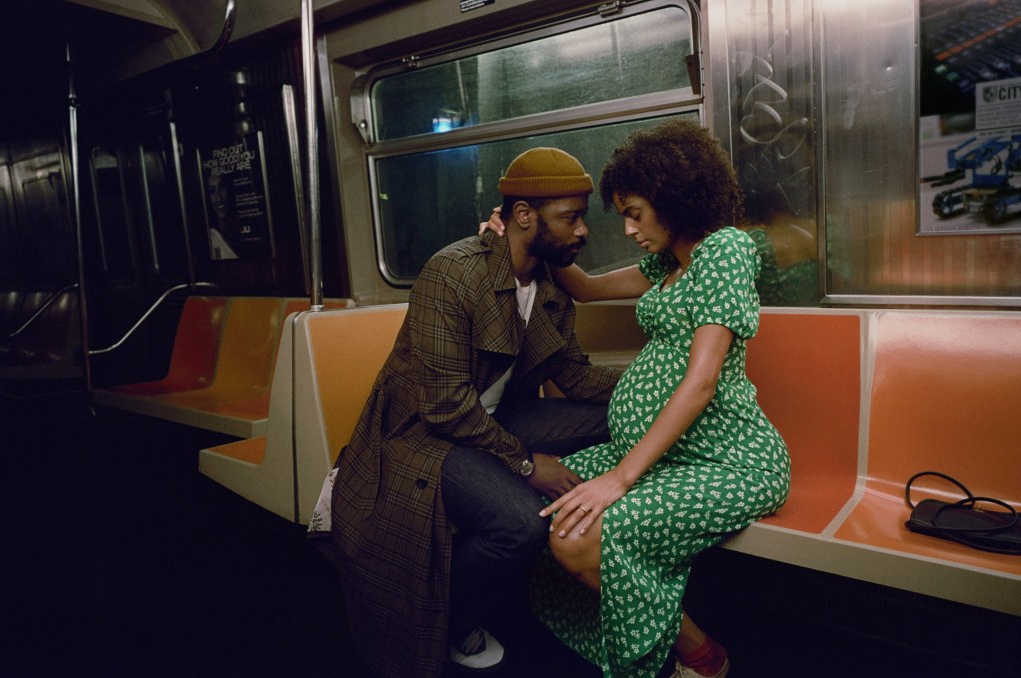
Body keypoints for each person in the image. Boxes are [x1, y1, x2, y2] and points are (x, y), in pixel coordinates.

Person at [482, 119, 790, 678]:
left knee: (579, 540)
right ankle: (682, 647)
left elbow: (701, 382)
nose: (627, 229)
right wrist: (518, 235)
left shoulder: (725, 250)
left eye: (635, 213)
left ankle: (700, 655)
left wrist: (620, 478)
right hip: (666, 454)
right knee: (545, 508)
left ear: (675, 200)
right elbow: (586, 288)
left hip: (726, 458)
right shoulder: (670, 263)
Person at [307, 148, 622, 678]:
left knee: (617, 416)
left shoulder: (547, 284)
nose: (583, 231)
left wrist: (661, 386)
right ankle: (445, 615)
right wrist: (527, 465)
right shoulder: (453, 273)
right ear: (524, 216)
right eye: (571, 216)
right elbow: (445, 405)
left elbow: (575, 376)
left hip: (498, 418)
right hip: (425, 433)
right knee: (520, 526)